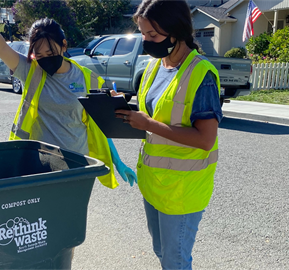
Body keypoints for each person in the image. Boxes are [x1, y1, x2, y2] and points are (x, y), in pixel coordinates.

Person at [113, 0, 223, 269]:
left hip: (182, 191)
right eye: (142, 33)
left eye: (152, 35)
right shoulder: (154, 67)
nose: (146, 41)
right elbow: (156, 114)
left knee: (175, 261)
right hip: (154, 184)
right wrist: (122, 109)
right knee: (162, 252)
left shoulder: (201, 74)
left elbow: (205, 140)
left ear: (176, 31)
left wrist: (147, 124)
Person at [0, 15, 137, 188]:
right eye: (39, 54)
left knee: (73, 214)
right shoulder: (30, 70)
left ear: (64, 45)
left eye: (50, 53)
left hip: (77, 164)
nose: (45, 59)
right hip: (40, 165)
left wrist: (118, 161)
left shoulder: (87, 79)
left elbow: (99, 126)